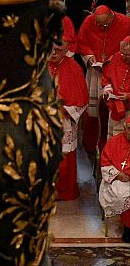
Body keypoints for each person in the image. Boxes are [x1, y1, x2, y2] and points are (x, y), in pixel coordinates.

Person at [79, 6, 130, 150]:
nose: (102, 28)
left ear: (112, 17)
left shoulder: (126, 23)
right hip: (96, 72)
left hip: (117, 70)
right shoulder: (89, 21)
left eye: (105, 25)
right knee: (93, 110)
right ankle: (91, 145)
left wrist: (114, 60)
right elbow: (82, 42)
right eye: (99, 25)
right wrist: (89, 58)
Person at [53, 42, 88, 201]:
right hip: (41, 119)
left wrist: (65, 110)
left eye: (58, 50)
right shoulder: (38, 64)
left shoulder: (74, 67)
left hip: (64, 121)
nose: (53, 53)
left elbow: (82, 100)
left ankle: (64, 191)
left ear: (66, 50)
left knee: (64, 159)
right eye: (50, 49)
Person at [102, 130, 130, 241]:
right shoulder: (114, 141)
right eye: (129, 128)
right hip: (118, 179)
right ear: (125, 127)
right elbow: (105, 164)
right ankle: (128, 229)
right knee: (121, 195)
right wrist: (118, 174)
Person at [102, 37, 130, 141]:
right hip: (115, 106)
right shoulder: (116, 57)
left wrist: (128, 96)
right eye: (122, 53)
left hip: (128, 110)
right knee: (114, 140)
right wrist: (108, 90)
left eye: (127, 55)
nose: (123, 57)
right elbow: (106, 78)